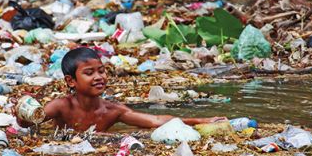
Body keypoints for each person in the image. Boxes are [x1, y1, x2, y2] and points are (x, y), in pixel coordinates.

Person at [16, 47, 226, 132]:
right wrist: (20, 114)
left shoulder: (113, 111)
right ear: (71, 81)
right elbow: (30, 121)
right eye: (89, 73)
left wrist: (199, 121)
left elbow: (155, 121)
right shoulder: (61, 106)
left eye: (102, 71)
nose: (99, 77)